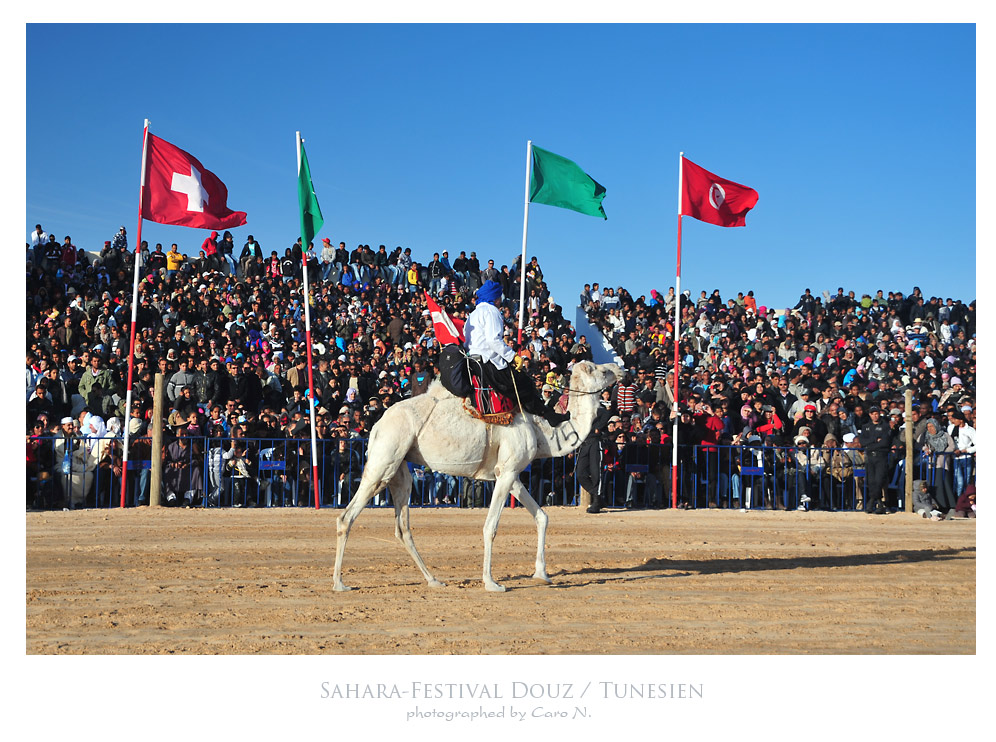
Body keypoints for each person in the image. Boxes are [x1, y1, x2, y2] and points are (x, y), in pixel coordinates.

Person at [463, 281, 569, 427]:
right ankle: (547, 417)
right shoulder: (491, 311)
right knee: (524, 383)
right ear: (494, 297)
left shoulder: (472, 314)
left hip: (474, 362)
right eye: (499, 297)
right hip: (488, 363)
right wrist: (512, 356)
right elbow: (494, 341)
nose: (500, 300)